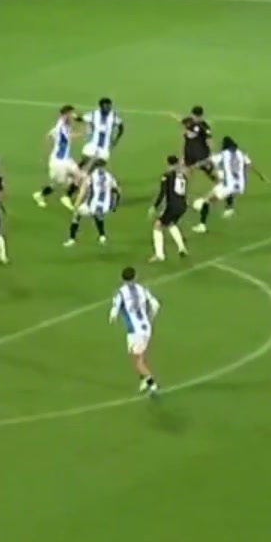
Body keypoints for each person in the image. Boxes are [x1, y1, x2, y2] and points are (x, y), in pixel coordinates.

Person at [193, 136, 266, 231]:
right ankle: (229, 208)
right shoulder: (241, 154)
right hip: (239, 185)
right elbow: (251, 165)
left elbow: (209, 160)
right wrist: (261, 176)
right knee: (215, 194)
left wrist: (197, 164)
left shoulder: (223, 154)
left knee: (206, 201)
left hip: (227, 186)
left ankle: (202, 225)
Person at [110, 266, 162, 395]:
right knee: (140, 356)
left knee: (136, 361)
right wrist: (149, 316)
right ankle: (144, 379)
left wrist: (113, 317)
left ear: (122, 278)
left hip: (134, 331)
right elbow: (156, 305)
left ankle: (151, 383)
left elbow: (114, 310)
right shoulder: (142, 289)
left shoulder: (120, 293)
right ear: (135, 276)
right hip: (147, 328)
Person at [34, 105, 81, 209]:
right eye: (71, 114)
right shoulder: (61, 126)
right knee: (57, 184)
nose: (73, 116)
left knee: (79, 176)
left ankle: (67, 197)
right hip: (59, 161)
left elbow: (49, 135)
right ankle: (40, 195)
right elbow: (69, 137)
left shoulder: (64, 124)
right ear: (65, 114)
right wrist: (83, 133)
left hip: (66, 159)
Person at [66, 158, 119, 247]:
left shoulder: (90, 177)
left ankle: (72, 239)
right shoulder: (109, 176)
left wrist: (76, 204)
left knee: (77, 214)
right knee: (97, 214)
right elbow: (117, 191)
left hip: (92, 206)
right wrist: (115, 205)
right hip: (105, 207)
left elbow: (82, 192)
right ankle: (102, 236)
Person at [151, 156, 190, 262]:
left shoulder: (167, 176)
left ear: (168, 164)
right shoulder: (183, 176)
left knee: (157, 226)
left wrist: (155, 206)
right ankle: (182, 248)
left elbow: (162, 192)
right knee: (171, 224)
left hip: (173, 206)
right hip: (182, 205)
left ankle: (159, 255)